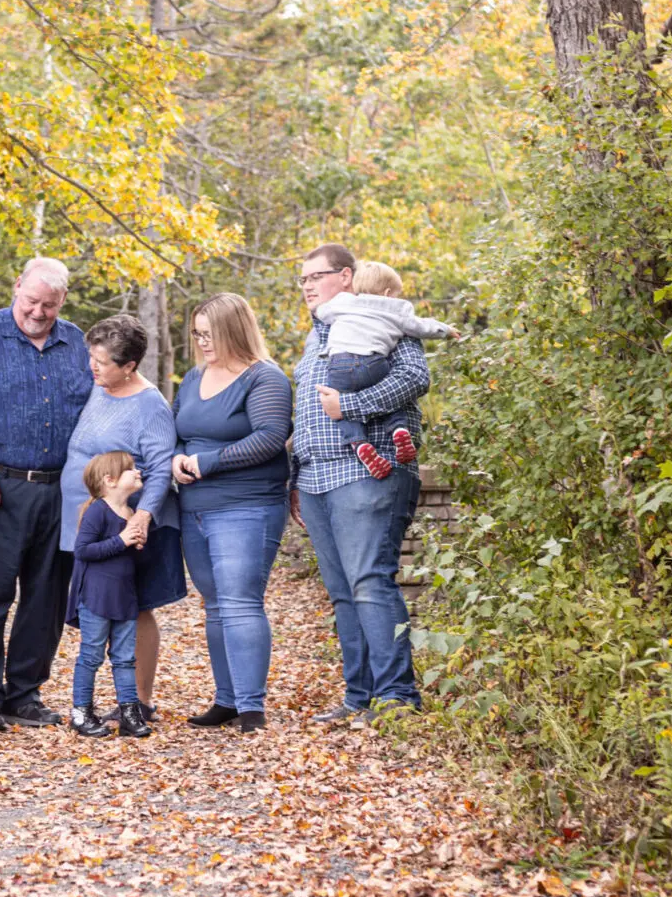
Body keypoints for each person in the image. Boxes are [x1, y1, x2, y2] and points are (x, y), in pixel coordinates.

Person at [0, 257, 92, 732]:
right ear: (16, 286)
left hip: (61, 490)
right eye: (31, 300)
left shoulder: (77, 342)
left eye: (49, 304)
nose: (39, 312)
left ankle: (24, 693)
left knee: (46, 599)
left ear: (62, 301)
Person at [290, 243, 430, 727]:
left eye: (317, 276)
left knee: (370, 582)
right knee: (343, 592)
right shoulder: (315, 337)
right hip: (315, 478)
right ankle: (360, 697)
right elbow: (307, 412)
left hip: (368, 471)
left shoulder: (381, 314)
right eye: (302, 279)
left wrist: (349, 408)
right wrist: (295, 478)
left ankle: (396, 699)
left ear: (347, 277)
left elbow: (415, 377)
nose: (307, 285)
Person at [172, 292, 292, 734]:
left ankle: (251, 708)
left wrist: (207, 462)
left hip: (246, 507)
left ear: (234, 330)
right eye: (197, 333)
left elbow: (269, 437)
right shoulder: (192, 378)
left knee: (241, 603)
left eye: (210, 334)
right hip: (195, 509)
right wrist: (175, 459)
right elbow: (178, 430)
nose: (202, 342)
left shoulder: (265, 379)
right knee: (216, 606)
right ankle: (226, 699)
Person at [58, 315, 184, 724]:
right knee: (97, 607)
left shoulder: (150, 406)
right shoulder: (103, 387)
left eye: (103, 360)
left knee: (136, 608)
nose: (93, 366)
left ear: (129, 366)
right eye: (91, 357)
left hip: (130, 526)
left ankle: (140, 701)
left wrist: (142, 519)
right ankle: (100, 699)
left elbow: (161, 469)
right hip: (94, 523)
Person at [314, 262, 458, 480]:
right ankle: (399, 430)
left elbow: (322, 312)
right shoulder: (397, 308)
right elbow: (421, 326)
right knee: (390, 393)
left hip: (339, 365)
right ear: (388, 293)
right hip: (374, 362)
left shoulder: (343, 302)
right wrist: (445, 330)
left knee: (336, 405)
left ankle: (359, 444)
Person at [66, 451, 151, 739]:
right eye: (131, 470)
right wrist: (121, 540)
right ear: (110, 480)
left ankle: (129, 712)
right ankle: (81, 711)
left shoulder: (132, 513)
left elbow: (130, 560)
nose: (138, 472)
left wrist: (138, 545)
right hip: (96, 597)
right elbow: (83, 551)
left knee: (125, 658)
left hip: (125, 598)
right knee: (91, 655)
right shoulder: (97, 511)